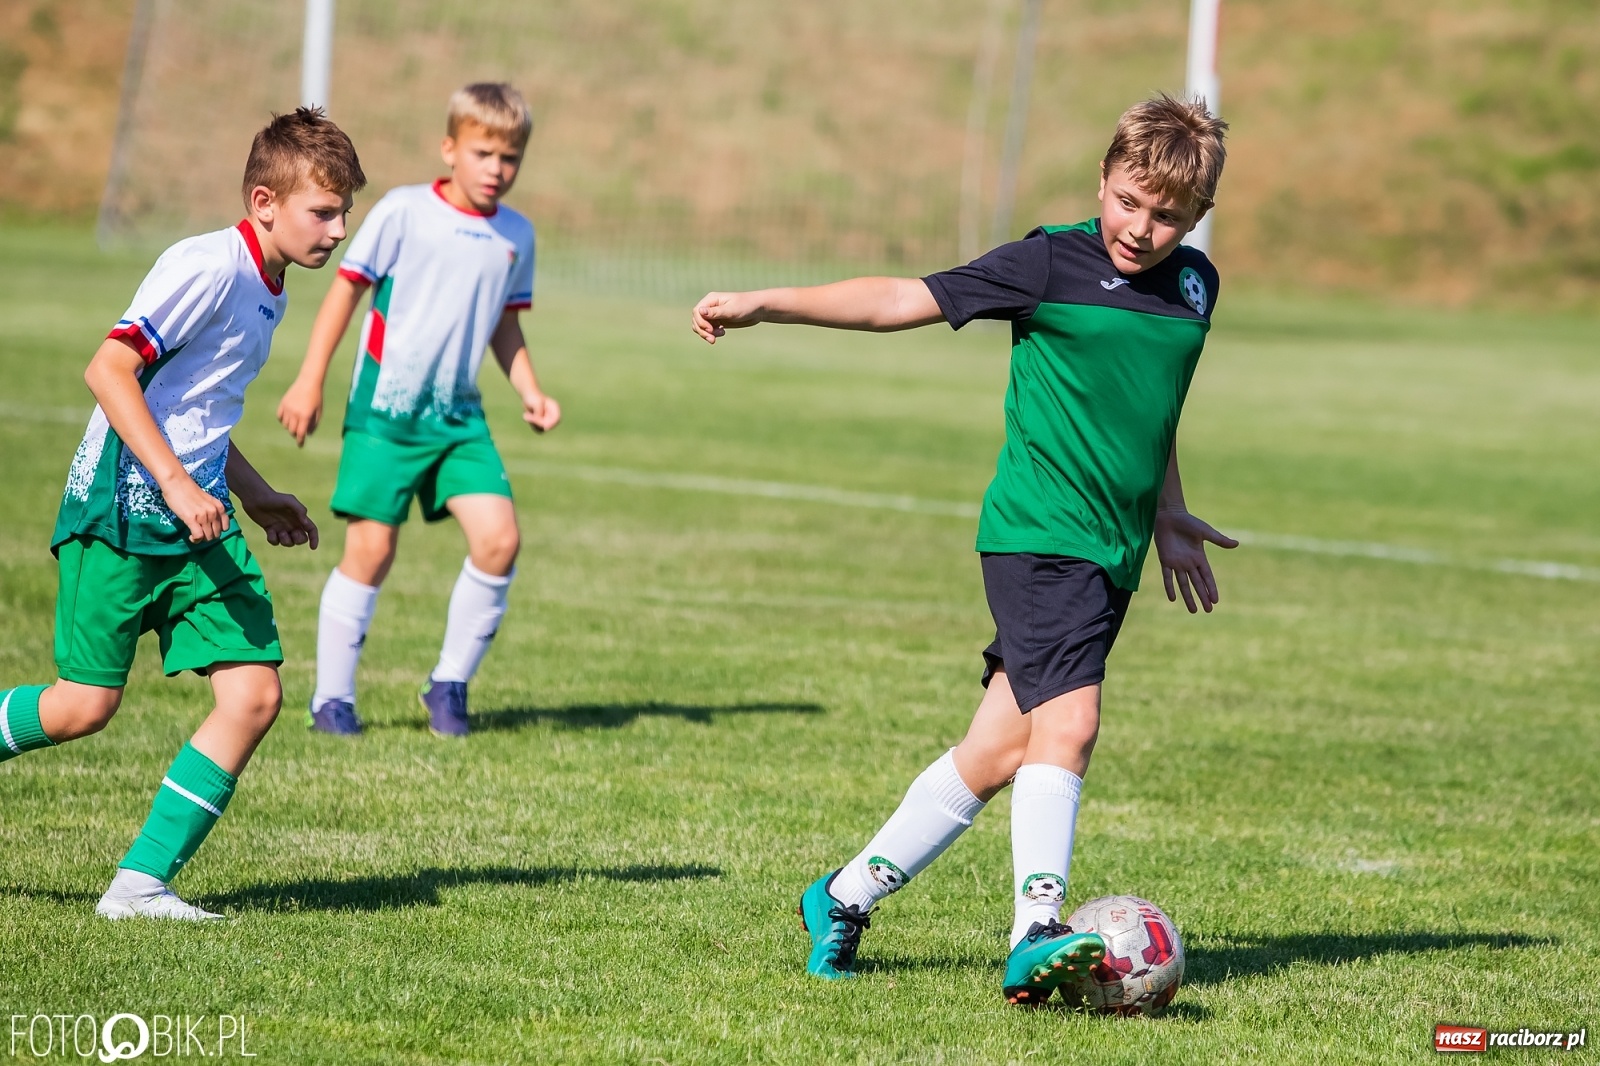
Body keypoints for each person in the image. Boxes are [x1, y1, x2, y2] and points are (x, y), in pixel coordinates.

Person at [691, 94, 1235, 1004]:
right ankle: (1037, 930)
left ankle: (841, 897)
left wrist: (1170, 507)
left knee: (998, 748)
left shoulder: (1194, 289)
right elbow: (904, 298)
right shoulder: (1047, 261)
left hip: (1113, 549)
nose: (1142, 228)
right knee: (1072, 725)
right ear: (1103, 179)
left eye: (1168, 214)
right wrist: (765, 303)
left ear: (1198, 218)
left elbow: (1149, 404)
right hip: (1038, 535)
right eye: (1129, 201)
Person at [0, 107, 363, 920]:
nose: (339, 230)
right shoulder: (209, 267)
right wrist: (172, 481)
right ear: (265, 201)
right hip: (124, 509)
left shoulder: (271, 287)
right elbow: (110, 369)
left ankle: (139, 886)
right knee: (81, 707)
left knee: (254, 695)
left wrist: (253, 490)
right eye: (325, 211)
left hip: (194, 518)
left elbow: (193, 410)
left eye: (345, 212)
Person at [277, 83, 560, 739]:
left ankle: (450, 685)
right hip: (387, 414)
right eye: (484, 152)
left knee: (501, 539)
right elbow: (347, 293)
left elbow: (504, 327)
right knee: (371, 550)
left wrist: (530, 391)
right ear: (449, 148)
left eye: (510, 157)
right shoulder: (403, 212)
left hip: (459, 421)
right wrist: (310, 380)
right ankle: (332, 700)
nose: (497, 168)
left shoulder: (517, 236)